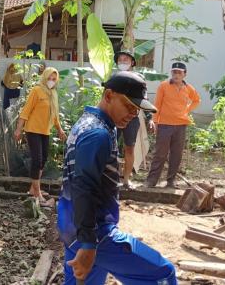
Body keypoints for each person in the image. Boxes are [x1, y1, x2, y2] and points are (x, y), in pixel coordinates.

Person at [57, 71, 177, 284]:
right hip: (96, 233)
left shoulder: (89, 123)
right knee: (163, 273)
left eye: (136, 109)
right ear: (109, 95)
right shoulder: (98, 134)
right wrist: (88, 243)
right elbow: (83, 187)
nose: (133, 113)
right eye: (129, 106)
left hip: (73, 227)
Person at [14, 67, 66, 204]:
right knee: (37, 160)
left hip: (45, 131)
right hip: (32, 130)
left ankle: (33, 188)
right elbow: (26, 111)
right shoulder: (36, 90)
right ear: (44, 77)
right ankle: (37, 193)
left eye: (54, 79)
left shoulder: (53, 93)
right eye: (49, 78)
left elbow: (55, 115)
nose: (51, 81)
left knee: (43, 160)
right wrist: (18, 129)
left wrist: (60, 130)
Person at [146, 62, 201, 188]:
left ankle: (171, 181)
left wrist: (187, 110)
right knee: (160, 154)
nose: (176, 75)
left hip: (181, 125)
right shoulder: (163, 86)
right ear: (171, 73)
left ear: (184, 74)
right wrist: (154, 121)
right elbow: (157, 105)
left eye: (179, 72)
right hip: (165, 125)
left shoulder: (189, 88)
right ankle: (151, 181)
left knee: (176, 154)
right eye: (174, 72)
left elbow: (197, 100)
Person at [114, 50, 141, 189]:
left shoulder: (138, 79)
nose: (123, 61)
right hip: (115, 118)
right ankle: (112, 179)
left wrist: (149, 118)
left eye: (126, 59)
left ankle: (126, 180)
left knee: (129, 148)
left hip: (132, 118)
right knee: (111, 149)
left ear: (132, 62)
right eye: (120, 59)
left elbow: (143, 100)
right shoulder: (114, 78)